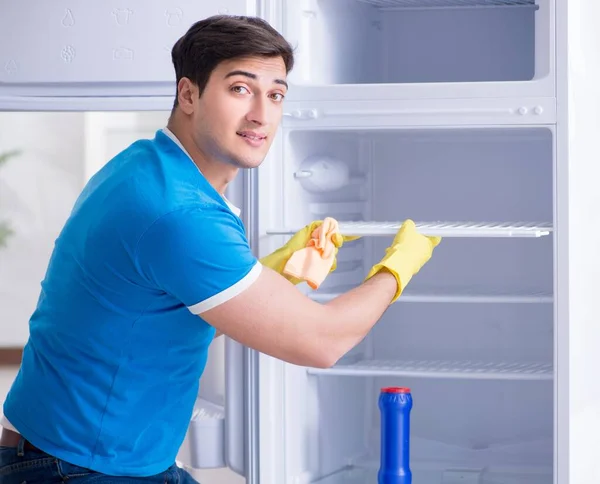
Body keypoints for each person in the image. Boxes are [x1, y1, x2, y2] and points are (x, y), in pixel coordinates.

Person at [0, 14, 441, 484]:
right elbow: (323, 341)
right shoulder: (179, 212)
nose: (261, 115)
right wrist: (397, 269)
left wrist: (274, 275)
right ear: (188, 94)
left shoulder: (146, 165)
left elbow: (162, 318)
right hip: (77, 467)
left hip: (78, 451)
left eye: (275, 95)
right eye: (240, 89)